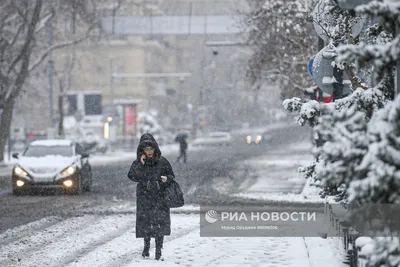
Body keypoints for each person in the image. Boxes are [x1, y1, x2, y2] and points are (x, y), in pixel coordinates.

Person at [127, 133, 175, 260]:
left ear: (155, 149)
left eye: (151, 148)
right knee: (145, 222)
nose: (149, 151)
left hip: (160, 196)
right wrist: (140, 164)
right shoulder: (138, 162)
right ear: (141, 150)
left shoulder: (162, 161)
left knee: (160, 222)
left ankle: (158, 250)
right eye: (146, 149)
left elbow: (171, 175)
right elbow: (131, 176)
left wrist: (166, 179)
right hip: (144, 196)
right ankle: (146, 247)